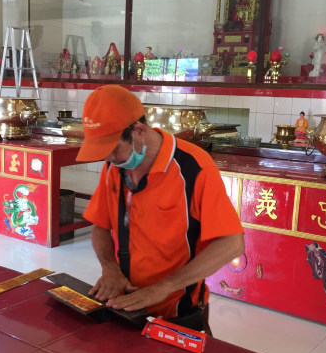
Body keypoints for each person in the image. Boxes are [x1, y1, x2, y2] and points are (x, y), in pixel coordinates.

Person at [77, 85, 244, 332]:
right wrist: (110, 268)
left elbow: (231, 243)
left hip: (178, 313)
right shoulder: (114, 167)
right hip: (126, 308)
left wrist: (162, 288)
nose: (109, 159)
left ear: (138, 131)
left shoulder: (194, 168)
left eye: (112, 150)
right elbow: (100, 225)